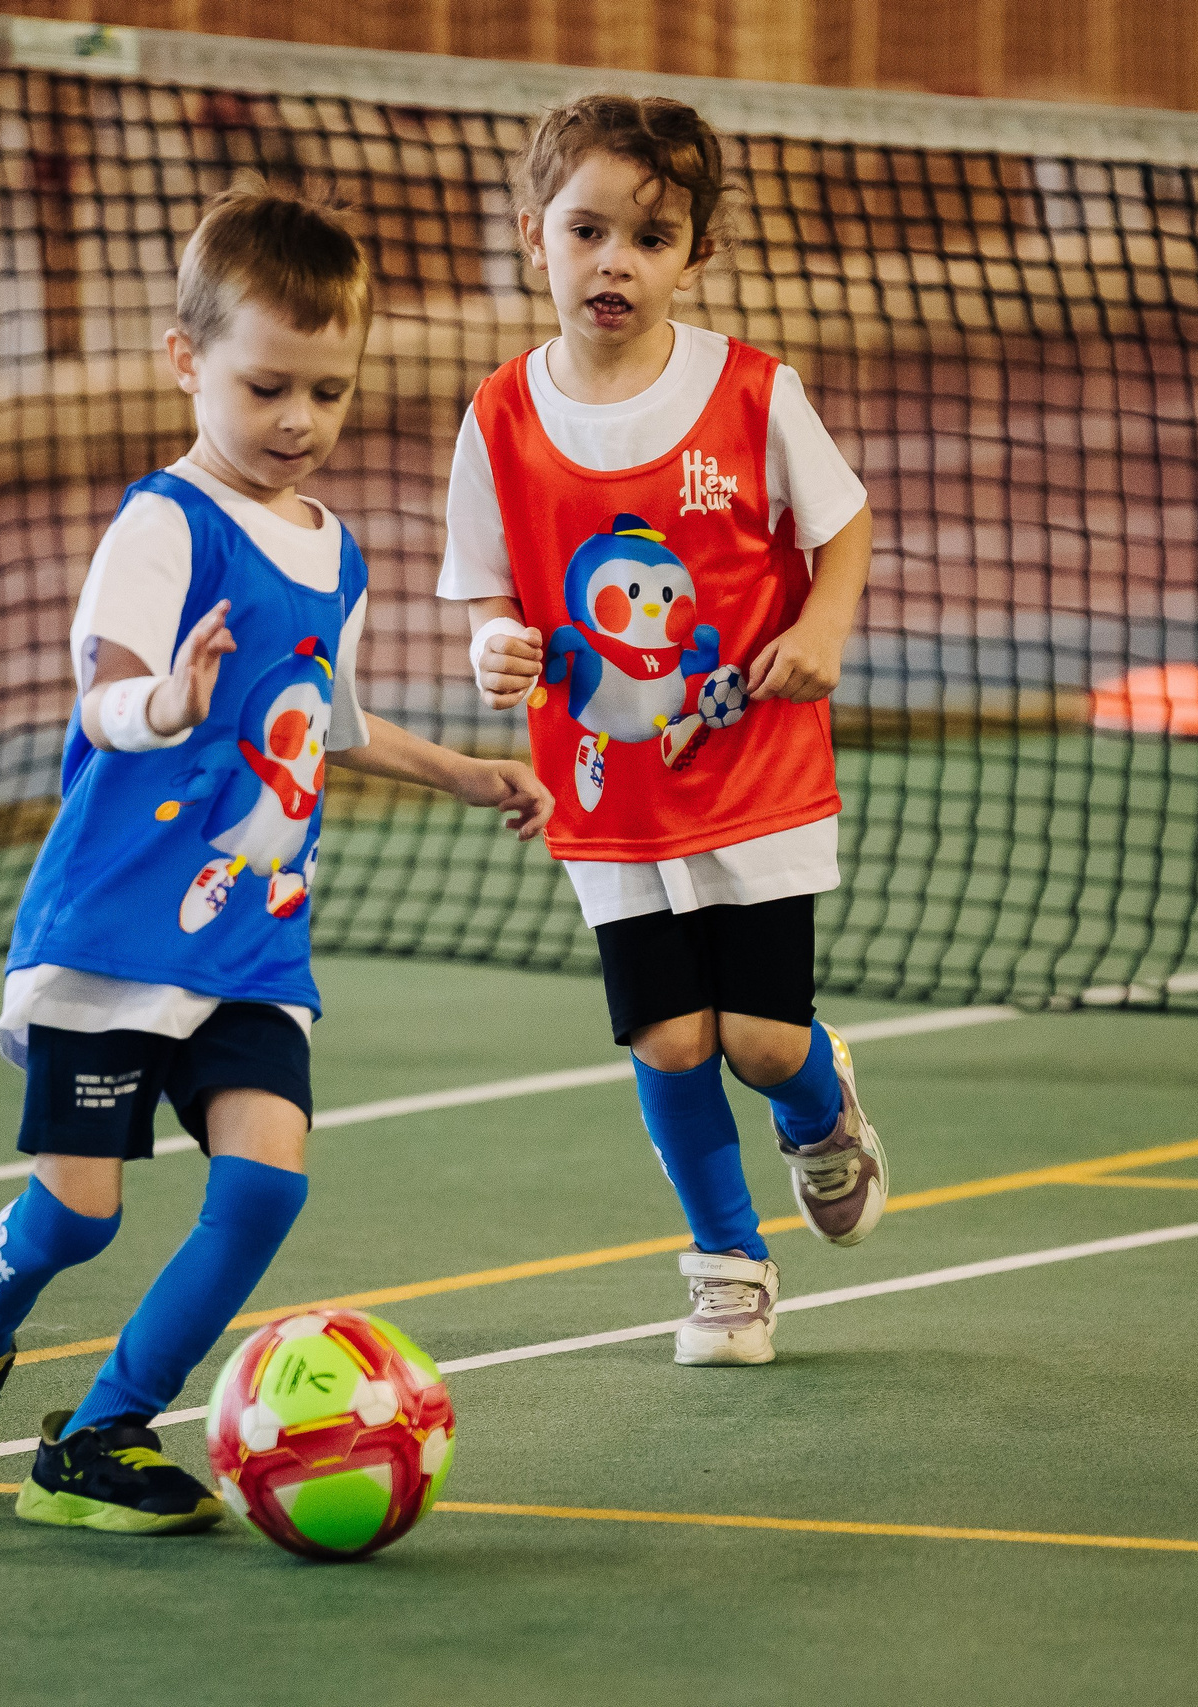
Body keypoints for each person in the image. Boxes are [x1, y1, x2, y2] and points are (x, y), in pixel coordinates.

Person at [0, 185, 552, 1535]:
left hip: (250, 938)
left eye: (327, 391)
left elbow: (328, 721)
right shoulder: (163, 525)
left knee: (262, 1184)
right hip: (115, 933)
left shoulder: (334, 550)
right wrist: (168, 704)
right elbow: (102, 697)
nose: (298, 419)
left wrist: (464, 771)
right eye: (266, 386)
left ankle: (102, 1432)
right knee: (79, 1213)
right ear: (187, 362)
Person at [441, 94, 883, 1368]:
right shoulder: (499, 415)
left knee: (760, 1042)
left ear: (696, 253)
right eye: (587, 231)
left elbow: (841, 523)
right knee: (670, 1039)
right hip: (603, 794)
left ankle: (821, 1106)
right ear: (534, 235)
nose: (614, 263)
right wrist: (492, 643)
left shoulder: (753, 391)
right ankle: (727, 1269)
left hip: (755, 770)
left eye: (650, 237)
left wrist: (824, 628)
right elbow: (486, 585)